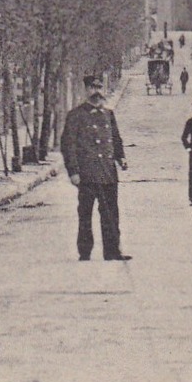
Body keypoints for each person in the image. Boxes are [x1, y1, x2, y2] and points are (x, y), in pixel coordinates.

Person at [58, 75, 129, 261]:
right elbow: (68, 145)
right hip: (87, 174)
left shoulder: (108, 114)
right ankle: (85, 252)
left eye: (99, 87)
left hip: (107, 173)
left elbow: (116, 139)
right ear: (86, 90)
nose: (96, 91)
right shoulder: (76, 115)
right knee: (85, 215)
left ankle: (112, 251)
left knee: (111, 214)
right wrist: (73, 171)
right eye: (92, 87)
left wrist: (121, 158)